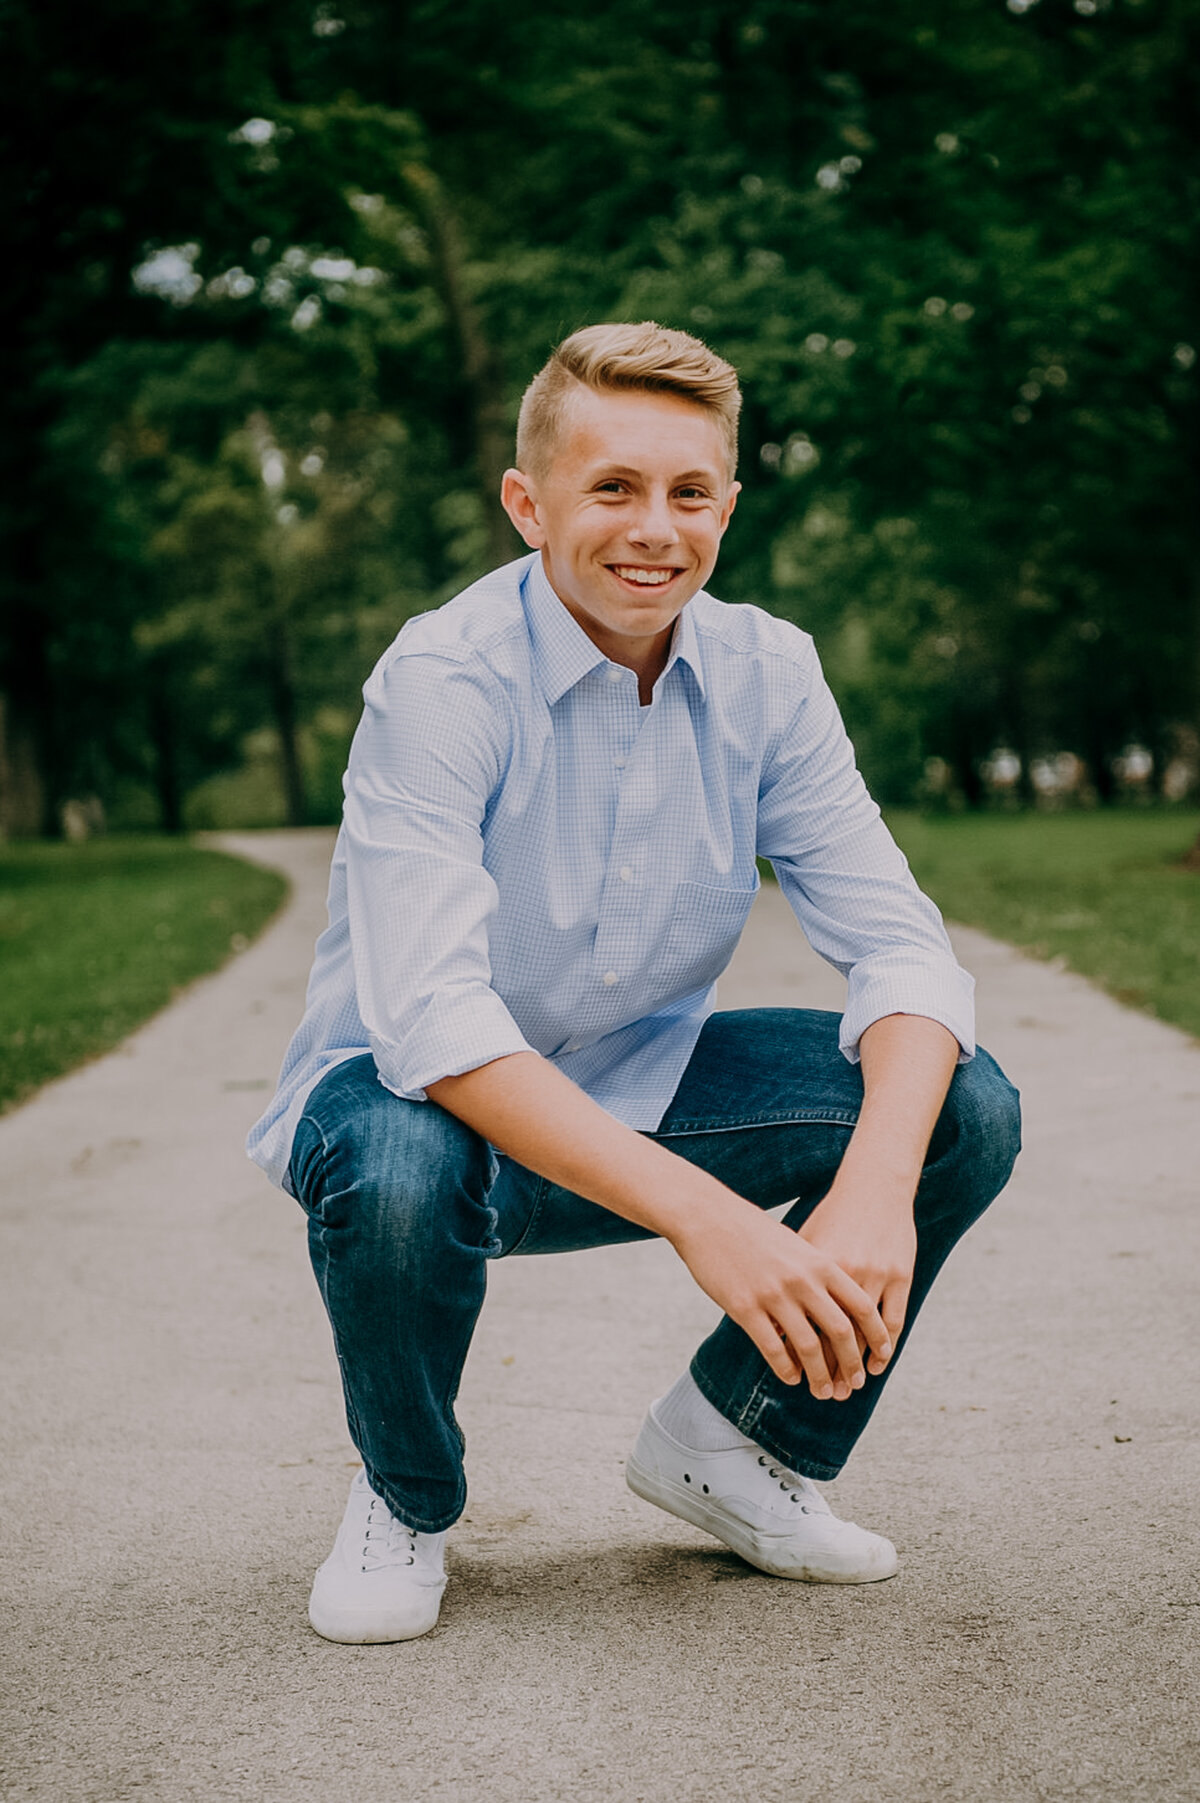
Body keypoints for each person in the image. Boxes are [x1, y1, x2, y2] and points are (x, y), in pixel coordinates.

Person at [248, 321, 1021, 1645]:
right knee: (392, 1156)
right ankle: (406, 1494)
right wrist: (709, 1225)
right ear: (527, 504)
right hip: (418, 1112)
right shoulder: (441, 680)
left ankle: (734, 1445)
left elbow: (899, 947)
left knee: (959, 1105)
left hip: (643, 1084)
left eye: (690, 491)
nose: (654, 528)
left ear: (727, 504)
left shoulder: (770, 673)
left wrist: (878, 1195)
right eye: (612, 488)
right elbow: (431, 1020)